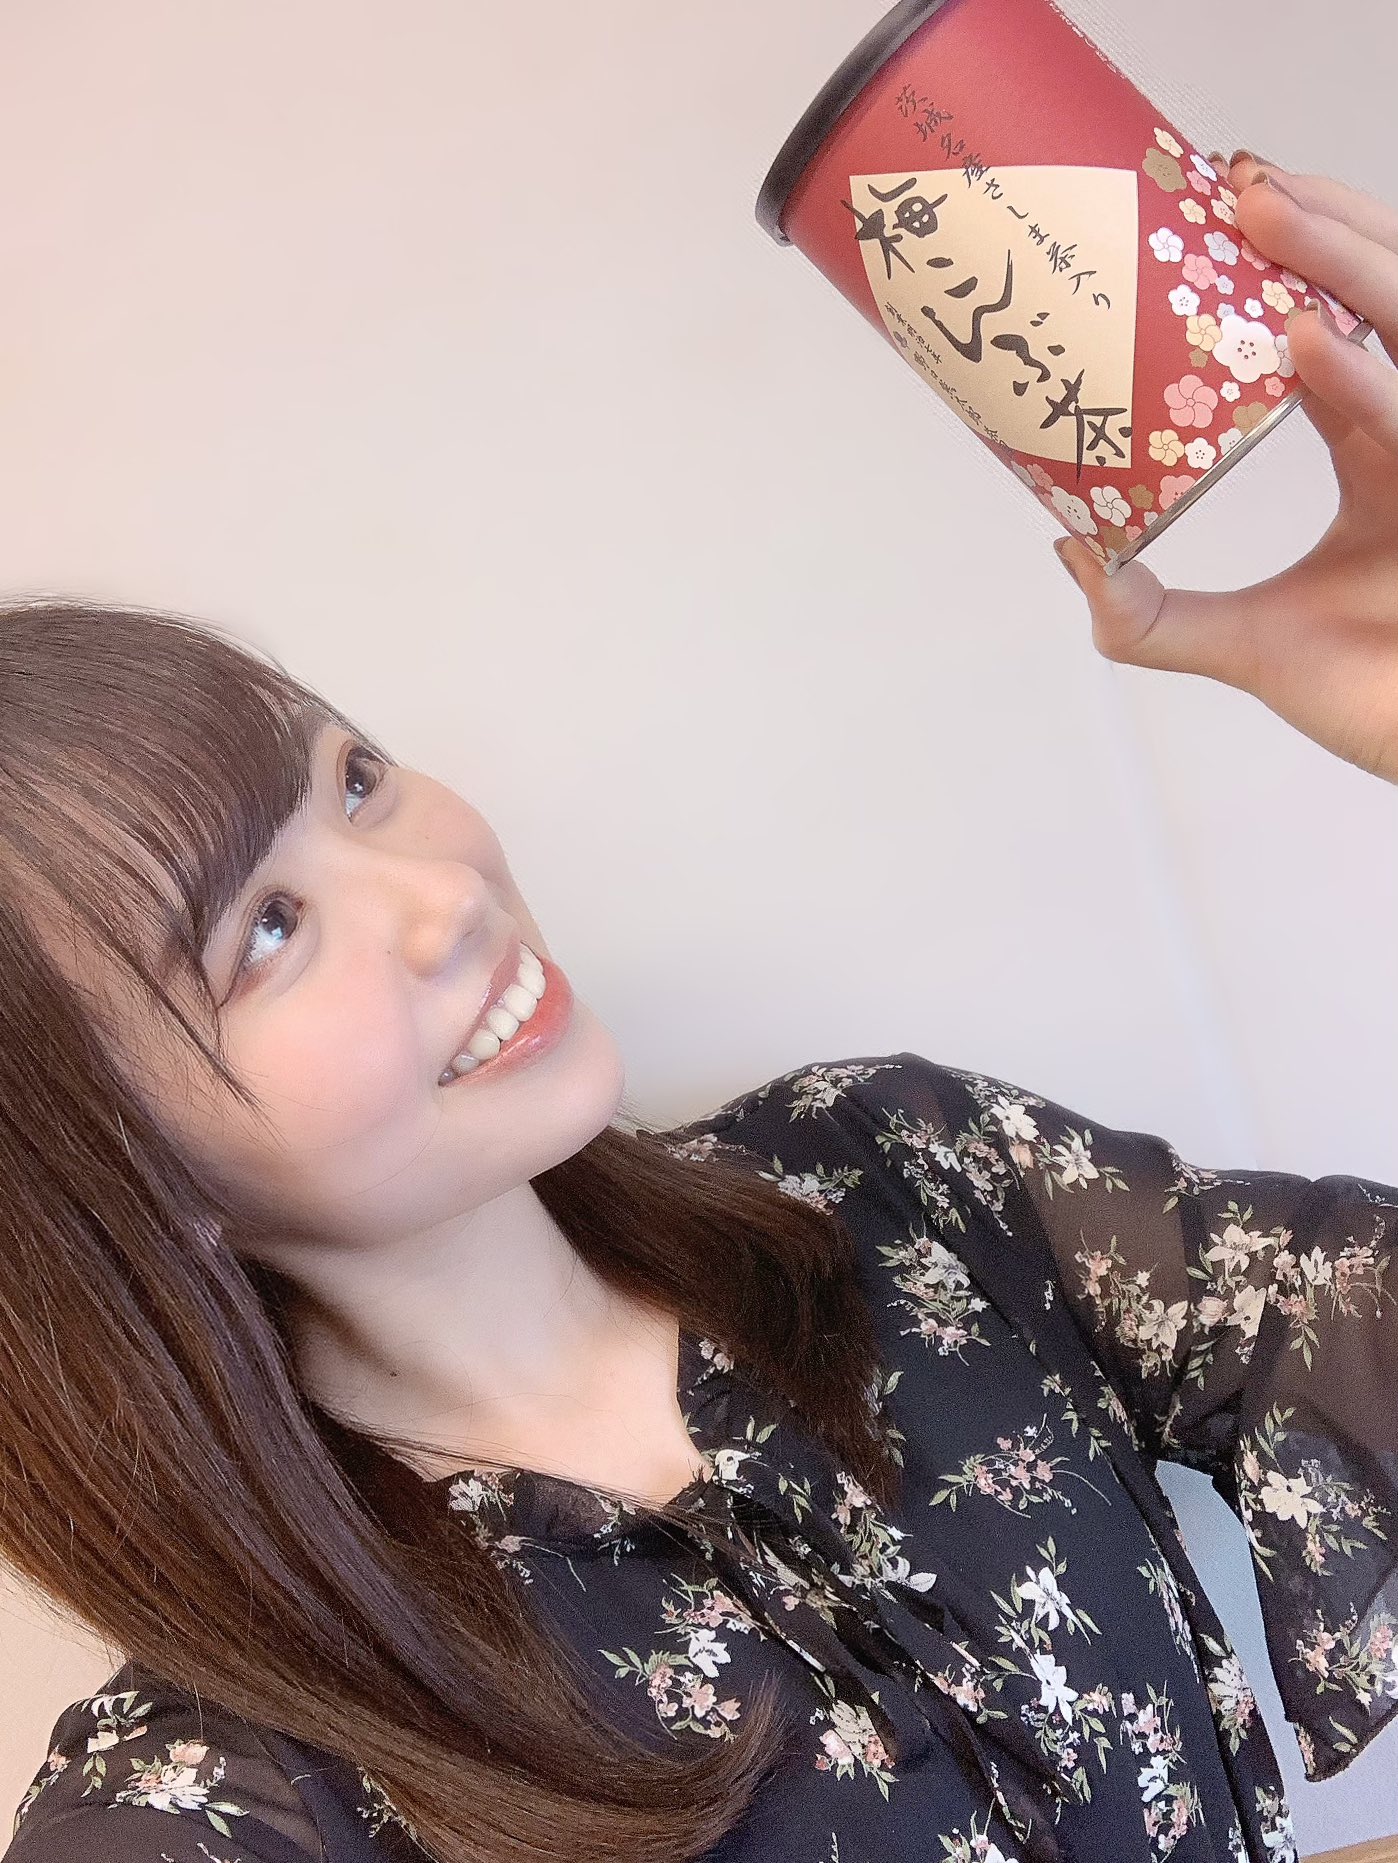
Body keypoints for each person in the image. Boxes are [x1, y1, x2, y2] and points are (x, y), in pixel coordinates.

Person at [0, 153, 1394, 1863]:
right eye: (266, 931)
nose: (442, 894)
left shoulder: (887, 1182)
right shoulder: (225, 1795)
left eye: (354, 780)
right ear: (110, 1179)